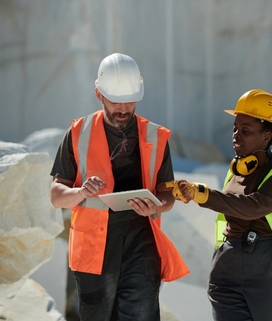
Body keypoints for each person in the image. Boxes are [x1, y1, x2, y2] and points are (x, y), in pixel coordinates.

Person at [158, 89, 272, 321]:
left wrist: (202, 194)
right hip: (227, 272)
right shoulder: (236, 170)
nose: (236, 135)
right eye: (235, 128)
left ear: (266, 136)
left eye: (245, 130)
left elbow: (251, 207)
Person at [50, 53, 188, 321]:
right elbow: (56, 196)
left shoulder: (156, 136)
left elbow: (168, 193)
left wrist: (158, 206)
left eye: (130, 102)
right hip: (94, 250)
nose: (123, 110)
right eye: (116, 102)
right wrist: (80, 193)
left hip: (142, 244)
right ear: (99, 94)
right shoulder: (78, 133)